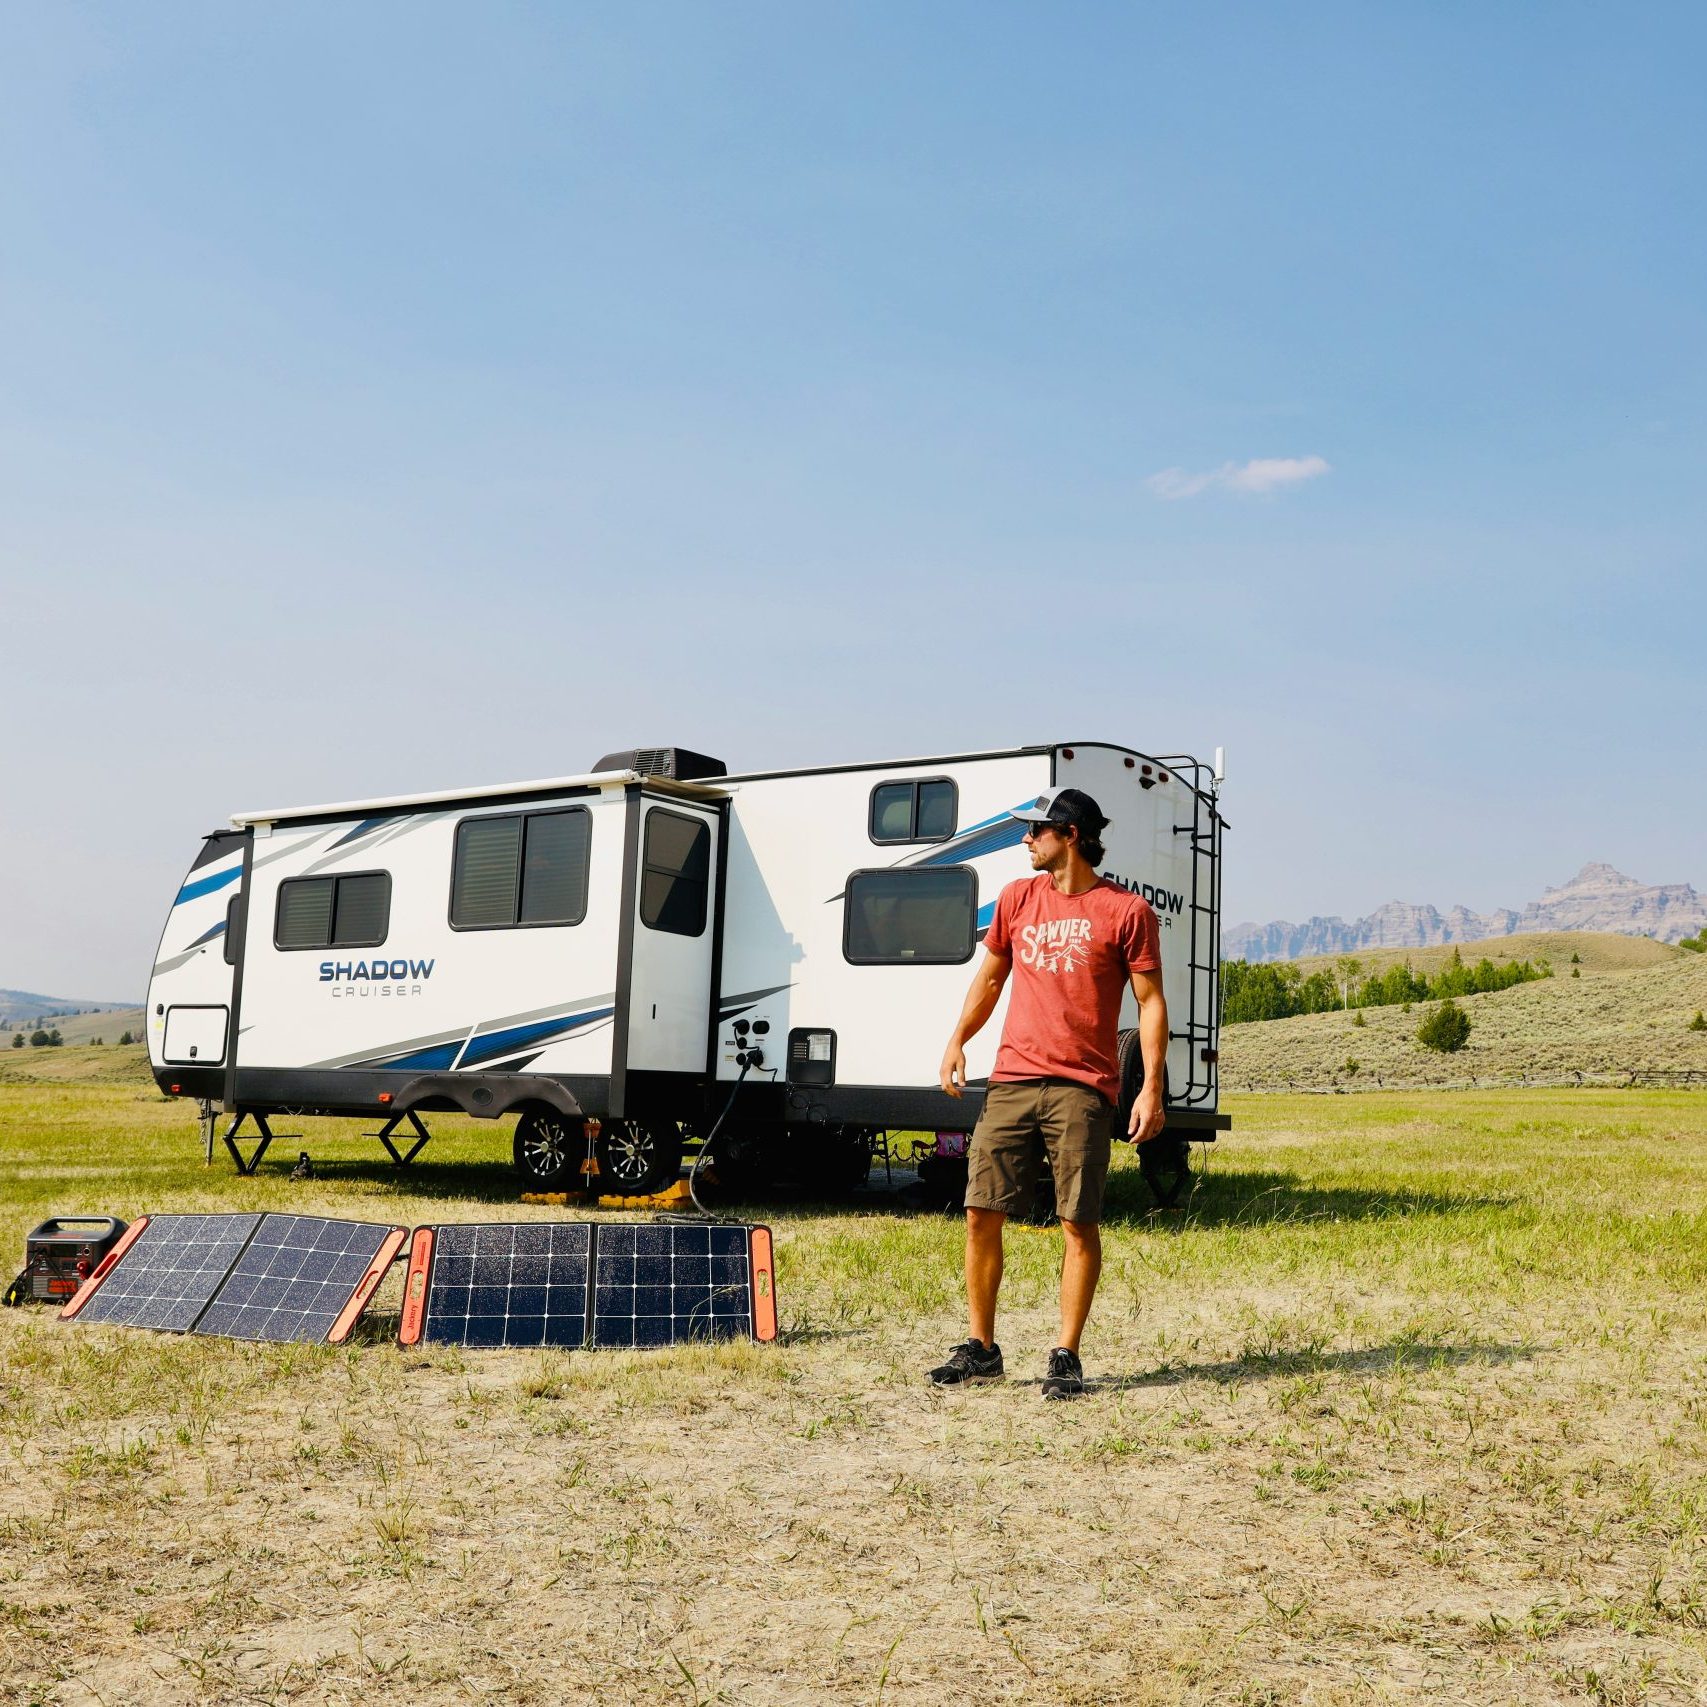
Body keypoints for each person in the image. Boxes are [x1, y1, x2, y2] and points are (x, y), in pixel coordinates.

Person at [932, 786, 1167, 1399]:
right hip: (1012, 1078)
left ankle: (1066, 1354)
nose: (1025, 839)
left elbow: (1150, 1004)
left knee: (1076, 1222)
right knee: (981, 1211)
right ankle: (982, 1349)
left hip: (1083, 1088)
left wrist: (1151, 1089)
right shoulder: (1016, 899)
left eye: (1036, 830)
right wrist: (958, 1038)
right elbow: (988, 980)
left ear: (1070, 835)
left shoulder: (1126, 911)